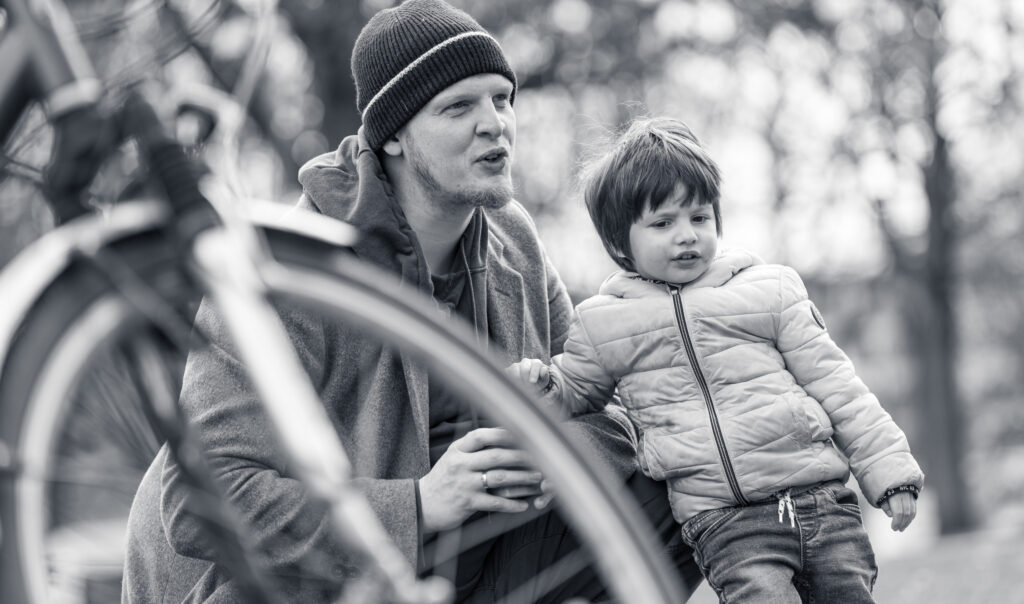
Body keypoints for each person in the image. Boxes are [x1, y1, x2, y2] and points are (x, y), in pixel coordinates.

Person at [122, 1, 701, 602]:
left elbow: (610, 408)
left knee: (684, 502)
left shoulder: (514, 241)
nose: (494, 124)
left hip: (461, 563)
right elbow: (197, 505)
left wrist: (539, 459)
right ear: (393, 135)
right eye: (458, 106)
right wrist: (421, 504)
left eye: (502, 99)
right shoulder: (290, 275)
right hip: (309, 582)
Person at [507, 116, 925, 603]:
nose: (686, 235)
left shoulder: (768, 291)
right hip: (725, 521)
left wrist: (890, 472)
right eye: (663, 223)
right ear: (621, 243)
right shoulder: (603, 326)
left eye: (699, 217)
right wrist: (540, 389)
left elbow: (839, 387)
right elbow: (575, 393)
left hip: (819, 501)